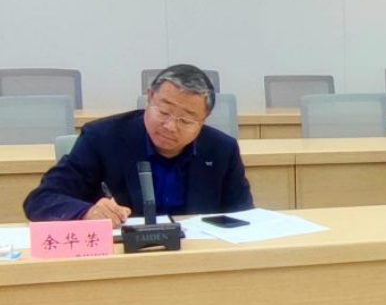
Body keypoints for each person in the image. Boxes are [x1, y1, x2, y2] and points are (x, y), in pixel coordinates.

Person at [24, 64, 253, 225]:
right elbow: (41, 200)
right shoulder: (102, 138)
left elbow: (244, 217)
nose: (170, 126)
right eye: (164, 111)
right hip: (122, 259)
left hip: (195, 258)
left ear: (203, 120)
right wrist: (87, 212)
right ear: (149, 97)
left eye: (186, 120)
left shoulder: (222, 150)